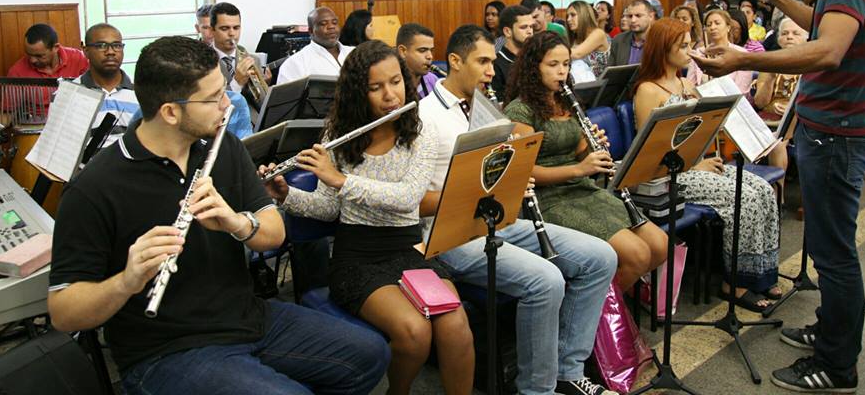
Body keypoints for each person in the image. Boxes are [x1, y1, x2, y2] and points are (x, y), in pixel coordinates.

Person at [48, 36, 389, 395]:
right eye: (213, 98)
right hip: (165, 350)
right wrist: (127, 280)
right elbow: (64, 312)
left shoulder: (223, 147)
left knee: (370, 354)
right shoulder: (94, 187)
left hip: (247, 317)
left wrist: (237, 223)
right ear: (170, 112)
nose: (227, 104)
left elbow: (274, 232)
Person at [693, 0, 865, 393]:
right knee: (830, 247)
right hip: (842, 127)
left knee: (833, 254)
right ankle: (831, 332)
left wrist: (744, 58)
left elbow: (827, 51)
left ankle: (837, 365)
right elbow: (822, 24)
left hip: (838, 132)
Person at [419, 25, 617, 395]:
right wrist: (474, 193)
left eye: (492, 62)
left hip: (498, 220)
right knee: (547, 281)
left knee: (601, 257)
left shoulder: (485, 108)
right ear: (455, 61)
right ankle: (537, 390)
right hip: (450, 235)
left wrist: (513, 175)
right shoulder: (425, 117)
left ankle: (567, 371)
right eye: (482, 62)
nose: (491, 71)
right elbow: (414, 201)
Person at [268, 40, 473, 395]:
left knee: (455, 325)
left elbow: (407, 199)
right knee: (414, 331)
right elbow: (329, 209)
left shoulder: (420, 132)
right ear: (357, 92)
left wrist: (341, 180)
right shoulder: (337, 135)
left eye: (395, 82)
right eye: (376, 87)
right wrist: (286, 195)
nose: (390, 95)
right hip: (357, 258)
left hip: (408, 250)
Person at [633, 18, 780, 312]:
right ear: (663, 49)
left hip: (695, 164)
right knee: (744, 197)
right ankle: (735, 282)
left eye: (690, 45)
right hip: (670, 174)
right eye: (682, 46)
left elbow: (699, 133)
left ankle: (761, 273)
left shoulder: (686, 83)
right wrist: (694, 165)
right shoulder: (648, 90)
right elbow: (652, 149)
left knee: (763, 189)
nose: (690, 52)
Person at [504, 31, 667, 291]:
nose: (562, 71)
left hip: (582, 190)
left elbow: (581, 154)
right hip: (549, 200)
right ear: (534, 68)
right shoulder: (520, 110)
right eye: (553, 64)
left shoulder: (566, 100)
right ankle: (592, 310)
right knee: (637, 255)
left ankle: (611, 303)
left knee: (659, 245)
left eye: (566, 64)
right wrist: (579, 169)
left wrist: (593, 147)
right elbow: (524, 172)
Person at [751, 17, 809, 204]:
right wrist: (769, 78)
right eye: (785, 33)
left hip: (799, 120)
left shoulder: (811, 65)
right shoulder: (770, 63)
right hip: (767, 119)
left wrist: (794, 107)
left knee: (777, 143)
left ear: (806, 38)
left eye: (795, 33)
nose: (789, 37)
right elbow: (760, 103)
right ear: (778, 39)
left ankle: (778, 197)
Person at [78, 23, 139, 148]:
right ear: (86, 51)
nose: (110, 52)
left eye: (117, 46)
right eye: (101, 46)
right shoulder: (69, 93)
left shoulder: (140, 93)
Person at [277, 7, 354, 84]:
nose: (331, 26)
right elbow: (286, 91)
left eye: (334, 22)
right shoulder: (295, 63)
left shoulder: (354, 52)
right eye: (323, 24)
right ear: (311, 31)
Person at [688, 8, 754, 94]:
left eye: (717, 23)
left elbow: (741, 91)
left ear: (728, 27)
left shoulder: (741, 53)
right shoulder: (698, 53)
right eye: (709, 25)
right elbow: (690, 87)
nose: (712, 27)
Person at [210, 2, 261, 97]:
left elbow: (260, 102)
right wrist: (237, 83)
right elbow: (209, 100)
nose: (232, 33)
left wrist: (263, 89)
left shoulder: (254, 60)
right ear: (212, 30)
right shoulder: (200, 63)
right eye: (224, 28)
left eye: (236, 28)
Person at [6, 23, 88, 80]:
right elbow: (11, 101)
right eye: (29, 54)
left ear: (55, 48)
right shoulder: (17, 72)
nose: (32, 60)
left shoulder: (80, 60)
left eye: (39, 56)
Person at [492, 5, 534, 101]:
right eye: (524, 27)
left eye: (531, 27)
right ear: (507, 31)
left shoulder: (534, 56)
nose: (530, 32)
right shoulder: (496, 63)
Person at [566, 0, 610, 78]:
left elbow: (577, 54)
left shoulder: (598, 33)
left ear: (584, 15)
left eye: (573, 15)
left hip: (600, 83)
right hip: (580, 81)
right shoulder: (574, 37)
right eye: (567, 16)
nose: (568, 19)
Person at [604, 0, 653, 67]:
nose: (633, 20)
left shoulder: (661, 40)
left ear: (651, 16)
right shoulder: (618, 40)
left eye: (638, 16)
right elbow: (611, 69)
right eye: (630, 16)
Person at [396, 23, 437, 99]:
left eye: (431, 50)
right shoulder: (392, 85)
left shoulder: (433, 79)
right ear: (403, 51)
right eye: (422, 50)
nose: (430, 56)